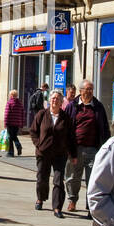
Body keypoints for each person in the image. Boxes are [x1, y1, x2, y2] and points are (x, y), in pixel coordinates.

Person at [64, 80, 110, 212]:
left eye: (91, 89)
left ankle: (90, 206)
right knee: (72, 177)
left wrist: (105, 148)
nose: (89, 92)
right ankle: (72, 200)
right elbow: (65, 127)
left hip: (93, 149)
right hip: (75, 148)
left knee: (93, 179)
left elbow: (105, 128)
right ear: (80, 91)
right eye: (87, 89)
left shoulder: (98, 107)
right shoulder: (72, 106)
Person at [31, 89, 76, 217]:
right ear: (49, 100)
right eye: (53, 98)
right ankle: (40, 198)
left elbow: (71, 137)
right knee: (42, 179)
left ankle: (57, 207)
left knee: (58, 180)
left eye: (57, 98)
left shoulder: (66, 118)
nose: (55, 100)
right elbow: (33, 131)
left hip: (59, 154)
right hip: (43, 152)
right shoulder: (41, 114)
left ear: (62, 102)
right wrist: (38, 144)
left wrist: (73, 155)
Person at [3, 89, 26, 157]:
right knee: (14, 136)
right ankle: (18, 146)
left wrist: (5, 123)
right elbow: (22, 114)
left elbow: (7, 114)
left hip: (10, 123)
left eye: (10, 95)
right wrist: (21, 123)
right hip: (17, 124)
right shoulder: (20, 103)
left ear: (11, 95)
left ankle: (11, 152)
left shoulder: (9, 103)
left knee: (10, 138)